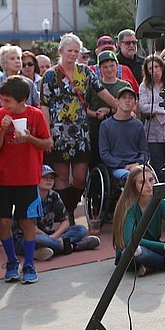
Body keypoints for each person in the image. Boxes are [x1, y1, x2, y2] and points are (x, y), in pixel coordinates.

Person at [40, 34, 117, 226]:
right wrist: (47, 133)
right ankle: (68, 217)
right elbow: (44, 106)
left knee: (81, 176)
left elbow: (102, 92)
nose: (73, 55)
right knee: (62, 176)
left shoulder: (86, 72)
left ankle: (69, 208)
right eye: (69, 51)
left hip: (81, 131)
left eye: (76, 51)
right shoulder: (50, 75)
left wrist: (120, 106)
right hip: (59, 131)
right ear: (61, 52)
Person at [0, 75, 53, 284]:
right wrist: (1, 130)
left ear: (22, 100)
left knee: (27, 221)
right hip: (2, 178)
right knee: (3, 220)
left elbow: (48, 143)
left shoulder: (35, 115)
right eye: (2, 99)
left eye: (7, 100)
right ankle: (11, 261)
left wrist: (28, 138)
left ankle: (29, 263)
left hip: (28, 177)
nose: (3, 104)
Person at [32, 165, 100, 260]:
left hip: (50, 235)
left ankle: (47, 249)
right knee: (39, 239)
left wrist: (53, 237)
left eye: (51, 178)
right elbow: (32, 229)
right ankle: (73, 246)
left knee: (81, 229)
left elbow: (66, 222)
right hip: (29, 237)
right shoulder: (30, 198)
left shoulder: (54, 196)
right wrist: (50, 238)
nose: (49, 180)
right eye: (44, 177)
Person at [100, 87, 149, 181]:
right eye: (124, 98)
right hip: (118, 168)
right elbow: (104, 153)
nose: (127, 101)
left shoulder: (138, 125)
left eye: (131, 98)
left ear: (135, 102)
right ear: (117, 101)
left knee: (149, 178)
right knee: (133, 177)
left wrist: (138, 163)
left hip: (138, 166)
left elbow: (144, 151)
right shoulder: (105, 125)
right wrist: (123, 165)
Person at [138, 55, 165, 175]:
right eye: (150, 68)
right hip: (153, 132)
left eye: (156, 67)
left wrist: (155, 107)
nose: (154, 71)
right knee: (157, 163)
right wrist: (162, 109)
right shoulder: (144, 86)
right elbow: (143, 107)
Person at [0, 44, 39, 108]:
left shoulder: (29, 82)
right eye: (12, 59)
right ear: (4, 63)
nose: (17, 61)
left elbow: (37, 104)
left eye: (18, 58)